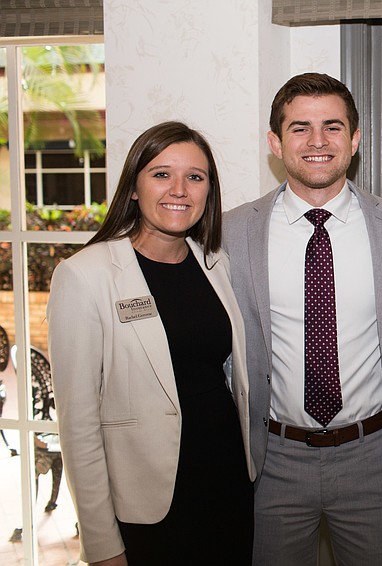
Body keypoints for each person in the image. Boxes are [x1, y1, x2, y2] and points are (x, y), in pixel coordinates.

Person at [222, 73, 382, 565]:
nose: (317, 142)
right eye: (299, 128)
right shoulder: (233, 231)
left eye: (333, 127)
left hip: (373, 456)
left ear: (355, 139)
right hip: (273, 461)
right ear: (275, 142)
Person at [47, 121, 255, 566]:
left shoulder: (216, 264)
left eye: (195, 177)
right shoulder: (85, 276)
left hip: (226, 483)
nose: (179, 189)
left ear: (208, 192)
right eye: (162, 174)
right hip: (148, 504)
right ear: (134, 188)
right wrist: (102, 544)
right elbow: (78, 424)